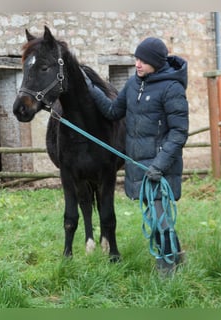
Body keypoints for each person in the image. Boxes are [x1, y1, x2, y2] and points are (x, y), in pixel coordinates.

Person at [85, 37, 189, 274]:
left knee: (160, 219)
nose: (137, 64)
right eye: (136, 58)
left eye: (143, 60)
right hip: (139, 166)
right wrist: (91, 91)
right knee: (156, 217)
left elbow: (179, 132)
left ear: (156, 62)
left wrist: (160, 165)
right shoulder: (134, 84)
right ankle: (177, 258)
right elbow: (113, 111)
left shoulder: (172, 88)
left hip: (161, 167)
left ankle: (167, 273)